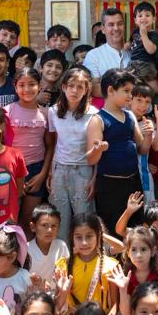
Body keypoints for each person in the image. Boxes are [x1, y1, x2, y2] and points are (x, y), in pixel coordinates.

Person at [87, 69, 148, 234]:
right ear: (110, 90)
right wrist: (97, 149)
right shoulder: (98, 119)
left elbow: (142, 149)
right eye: (126, 91)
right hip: (110, 186)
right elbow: (91, 159)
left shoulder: (130, 116)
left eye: (131, 91)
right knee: (112, 229)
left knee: (137, 229)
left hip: (134, 183)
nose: (130, 96)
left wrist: (148, 135)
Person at [47, 67, 99, 240]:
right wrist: (50, 171)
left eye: (80, 87)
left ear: (86, 91)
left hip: (83, 171)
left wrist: (94, 178)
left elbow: (97, 150)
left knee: (83, 220)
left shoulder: (93, 115)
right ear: (63, 87)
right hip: (59, 169)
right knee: (59, 220)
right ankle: (62, 262)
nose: (74, 90)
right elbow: (54, 143)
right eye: (71, 85)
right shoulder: (53, 111)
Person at [7, 69, 52, 220]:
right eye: (22, 85)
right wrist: (14, 175)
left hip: (36, 170)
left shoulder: (46, 113)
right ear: (15, 87)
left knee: (29, 220)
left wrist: (42, 175)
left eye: (32, 84)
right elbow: (1, 145)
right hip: (11, 171)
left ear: (39, 86)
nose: (26, 89)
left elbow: (50, 146)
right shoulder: (7, 112)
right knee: (10, 220)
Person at [85, 7, 133, 92]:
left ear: (124, 26)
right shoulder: (93, 55)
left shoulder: (135, 52)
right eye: (111, 25)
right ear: (103, 29)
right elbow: (94, 88)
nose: (116, 28)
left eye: (120, 24)